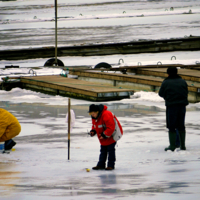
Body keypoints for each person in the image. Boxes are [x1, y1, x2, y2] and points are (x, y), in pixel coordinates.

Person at [159, 67, 188, 151]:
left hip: (171, 106)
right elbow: (186, 92)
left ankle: (172, 146)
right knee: (181, 125)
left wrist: (167, 97)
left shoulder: (166, 82)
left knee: (172, 125)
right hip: (182, 106)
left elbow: (161, 93)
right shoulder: (183, 81)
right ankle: (183, 146)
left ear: (168, 73)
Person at [88, 104, 123, 170]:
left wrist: (104, 135)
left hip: (112, 134)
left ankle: (111, 165)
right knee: (103, 151)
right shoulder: (94, 117)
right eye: (91, 114)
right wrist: (93, 131)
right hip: (103, 136)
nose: (92, 115)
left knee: (110, 150)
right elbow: (95, 125)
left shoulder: (106, 114)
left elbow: (111, 127)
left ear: (97, 112)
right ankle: (101, 165)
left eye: (93, 113)